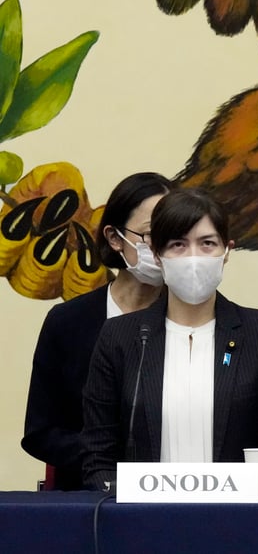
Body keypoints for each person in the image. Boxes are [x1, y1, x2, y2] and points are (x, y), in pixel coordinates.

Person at [81, 188, 258, 490]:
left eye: (207, 244)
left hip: (238, 522)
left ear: (227, 252)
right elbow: (97, 453)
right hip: (139, 523)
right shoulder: (121, 337)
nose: (193, 258)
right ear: (157, 256)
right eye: (178, 245)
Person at [22, 172, 172, 490]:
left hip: (177, 493)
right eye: (149, 235)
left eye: (173, 235)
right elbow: (41, 432)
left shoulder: (196, 318)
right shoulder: (68, 322)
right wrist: (109, 463)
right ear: (115, 238)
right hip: (89, 500)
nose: (162, 249)